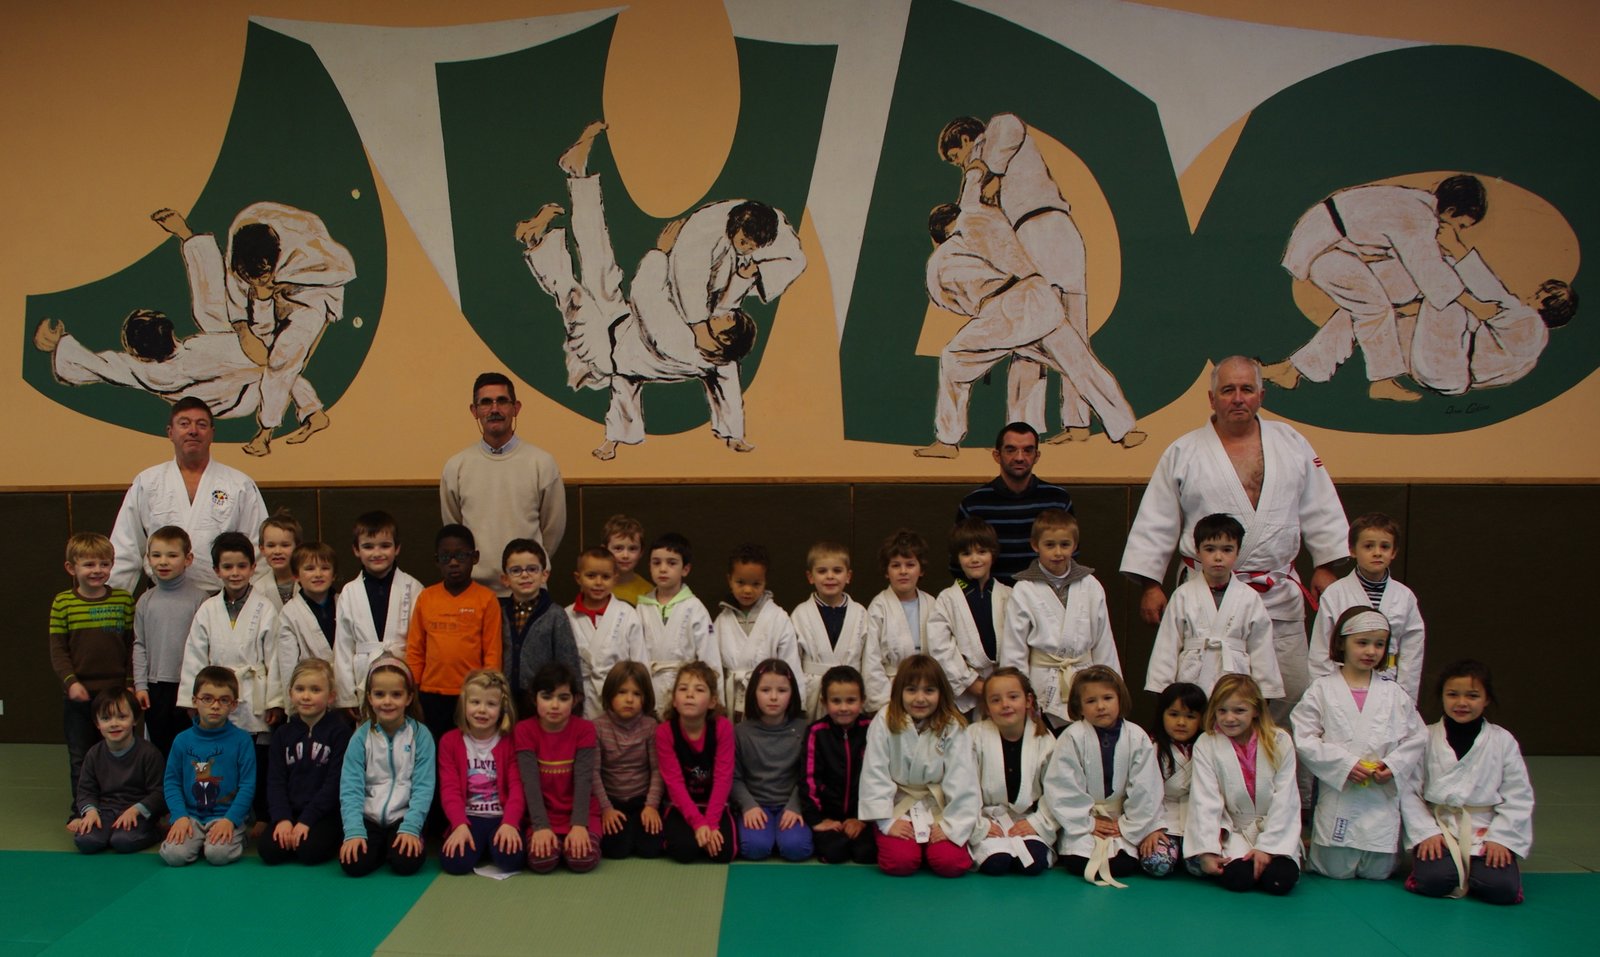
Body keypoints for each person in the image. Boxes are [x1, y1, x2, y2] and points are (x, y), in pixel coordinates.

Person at [517, 121, 804, 462]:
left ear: (720, 341)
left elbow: (645, 297)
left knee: (572, 294)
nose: (721, 314)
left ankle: (533, 242)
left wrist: (661, 251)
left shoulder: (679, 342)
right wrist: (734, 436)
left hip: (600, 344)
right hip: (622, 322)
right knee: (597, 250)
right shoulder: (721, 356)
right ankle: (577, 173)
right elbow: (728, 383)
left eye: (722, 324)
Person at [1121, 355, 1348, 725]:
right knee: (1202, 690)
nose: (1238, 398)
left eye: (1246, 389)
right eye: (1228, 390)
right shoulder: (1184, 451)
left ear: (1261, 395)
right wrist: (1150, 584)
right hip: (1205, 591)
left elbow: (1320, 504)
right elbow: (1157, 519)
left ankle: (1275, 771)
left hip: (1275, 588)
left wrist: (1324, 564)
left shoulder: (1291, 443)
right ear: (1212, 398)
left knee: (1290, 689)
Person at [912, 201, 1143, 459]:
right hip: (1038, 297)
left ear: (937, 237)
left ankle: (948, 440)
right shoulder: (991, 227)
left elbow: (945, 300)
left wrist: (981, 311)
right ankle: (1125, 429)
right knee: (1081, 364)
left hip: (1000, 312)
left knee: (953, 358)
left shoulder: (941, 257)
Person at [149, 203, 352, 453]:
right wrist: (252, 316)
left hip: (310, 293)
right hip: (263, 303)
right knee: (210, 316)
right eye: (248, 278)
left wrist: (269, 298)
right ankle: (314, 414)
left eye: (263, 277)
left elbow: (334, 279)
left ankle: (265, 434)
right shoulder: (243, 243)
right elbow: (246, 317)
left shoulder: (315, 257)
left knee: (282, 359)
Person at [937, 114, 1090, 438]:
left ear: (965, 140)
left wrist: (978, 168)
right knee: (1030, 331)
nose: (960, 165)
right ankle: (1027, 427)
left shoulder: (999, 129)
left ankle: (1077, 422)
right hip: (1028, 232)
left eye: (956, 157)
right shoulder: (988, 177)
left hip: (1047, 225)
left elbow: (1007, 131)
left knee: (1070, 327)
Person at [1272, 175, 1487, 402]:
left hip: (1337, 244)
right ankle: (1383, 383)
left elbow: (1418, 266)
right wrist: (1476, 306)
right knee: (1376, 309)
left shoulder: (1417, 205)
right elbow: (1431, 274)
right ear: (1451, 211)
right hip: (1325, 249)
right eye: (1461, 225)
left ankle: (1292, 370)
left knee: (1376, 301)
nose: (1458, 231)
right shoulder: (1419, 218)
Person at [1292, 608, 1427, 880]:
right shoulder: (1322, 689)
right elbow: (1304, 736)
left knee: (1377, 872)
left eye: (1379, 644)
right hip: (1340, 791)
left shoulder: (1393, 693)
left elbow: (1418, 736)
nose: (1371, 651)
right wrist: (1345, 764)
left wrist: (1393, 765)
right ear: (1342, 643)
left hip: (1379, 792)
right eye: (1362, 642)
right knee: (1334, 869)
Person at [1401, 660, 1533, 904]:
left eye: (1472, 696)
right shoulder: (1425, 737)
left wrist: (1502, 838)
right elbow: (1409, 791)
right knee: (1435, 881)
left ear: (1486, 699)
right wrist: (1425, 833)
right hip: (1440, 827)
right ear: (1442, 697)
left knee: (1501, 890)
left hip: (1485, 828)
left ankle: (1486, 871)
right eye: (1452, 694)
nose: (1461, 703)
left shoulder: (1502, 741)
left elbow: (1518, 795)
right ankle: (1441, 868)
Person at [107, 396, 267, 594]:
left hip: (223, 599)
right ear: (170, 433)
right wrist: (114, 604)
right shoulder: (148, 482)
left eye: (201, 424)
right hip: (163, 597)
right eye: (184, 424)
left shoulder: (239, 484)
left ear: (211, 433)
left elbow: (258, 550)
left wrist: (258, 603)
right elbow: (125, 549)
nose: (193, 430)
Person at [178, 532, 282, 823]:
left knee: (255, 756)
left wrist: (276, 700)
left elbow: (275, 657)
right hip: (216, 694)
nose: (235, 573)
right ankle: (214, 809)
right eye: (227, 567)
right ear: (216, 571)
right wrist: (191, 698)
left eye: (241, 566)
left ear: (252, 567)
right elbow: (195, 655)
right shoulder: (207, 609)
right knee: (218, 754)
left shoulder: (265, 608)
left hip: (254, 691)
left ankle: (259, 814)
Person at [440, 372, 567, 592]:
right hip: (475, 592)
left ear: (516, 408)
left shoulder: (542, 463)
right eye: (486, 403)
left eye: (502, 401)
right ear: (475, 411)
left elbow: (552, 529)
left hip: (528, 590)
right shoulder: (456, 466)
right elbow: (454, 532)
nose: (494, 409)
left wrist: (526, 570)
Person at [859, 655, 978, 877]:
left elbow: (964, 779)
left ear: (941, 693)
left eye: (929, 690)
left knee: (950, 863)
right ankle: (910, 844)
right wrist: (887, 823)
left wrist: (951, 826)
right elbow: (874, 774)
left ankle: (930, 846)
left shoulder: (953, 725)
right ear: (899, 692)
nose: (920, 698)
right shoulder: (884, 721)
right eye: (911, 690)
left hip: (938, 807)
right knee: (900, 862)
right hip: (898, 806)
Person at [1043, 666, 1163, 887]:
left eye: (1107, 698)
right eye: (1091, 701)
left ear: (1120, 699)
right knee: (1079, 860)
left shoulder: (1137, 737)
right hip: (1086, 818)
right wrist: (1087, 822)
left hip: (1121, 819)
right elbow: (1061, 785)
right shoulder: (1071, 737)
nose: (1100, 706)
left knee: (1123, 864)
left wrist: (1127, 826)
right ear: (1079, 707)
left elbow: (1146, 787)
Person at [999, 511, 1120, 728]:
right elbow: (1014, 649)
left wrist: (1111, 688)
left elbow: (1104, 642)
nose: (1058, 552)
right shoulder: (1024, 590)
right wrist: (1017, 695)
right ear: (1035, 545)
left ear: (1075, 545)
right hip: (1042, 681)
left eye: (1065, 545)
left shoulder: (1091, 585)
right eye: (1050, 545)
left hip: (1085, 678)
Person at [1185, 673, 1301, 894]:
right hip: (1236, 830)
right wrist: (1207, 850)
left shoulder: (1279, 741)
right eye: (1222, 710)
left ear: (1256, 710)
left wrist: (1268, 848)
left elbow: (1286, 799)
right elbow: (1205, 799)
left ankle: (1272, 857)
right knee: (1238, 880)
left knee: (1279, 881)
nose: (1229, 718)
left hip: (1275, 829)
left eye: (1239, 710)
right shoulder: (1207, 743)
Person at [1144, 513, 1280, 699]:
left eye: (1227, 549)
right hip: (1191, 681)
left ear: (1238, 552)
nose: (1218, 557)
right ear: (1197, 552)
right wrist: (1162, 687)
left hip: (1235, 679)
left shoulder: (1249, 597)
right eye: (1210, 549)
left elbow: (1261, 647)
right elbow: (1167, 645)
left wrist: (1265, 691)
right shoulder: (1183, 594)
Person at [50, 532, 137, 806]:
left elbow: (132, 646)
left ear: (112, 565)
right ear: (71, 568)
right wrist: (71, 682)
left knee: (119, 750)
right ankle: (83, 807)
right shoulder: (62, 603)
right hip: (79, 695)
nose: (97, 570)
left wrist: (130, 682)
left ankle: (119, 802)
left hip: (115, 693)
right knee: (81, 753)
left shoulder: (123, 600)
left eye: (103, 564)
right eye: (88, 564)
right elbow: (58, 650)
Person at [1307, 513, 1425, 701]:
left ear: (1394, 552)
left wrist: (1406, 696)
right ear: (1352, 550)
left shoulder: (1405, 596)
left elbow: (1412, 652)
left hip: (1389, 681)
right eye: (1368, 546)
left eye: (1385, 547)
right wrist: (1321, 694)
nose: (1377, 552)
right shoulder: (1335, 593)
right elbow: (1320, 650)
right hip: (1343, 682)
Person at [338, 656, 434, 877]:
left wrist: (411, 827)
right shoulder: (360, 737)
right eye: (380, 694)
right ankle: (379, 847)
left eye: (396, 694)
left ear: (409, 697)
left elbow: (423, 786)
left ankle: (393, 845)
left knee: (406, 863)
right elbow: (350, 788)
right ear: (369, 698)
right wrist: (353, 831)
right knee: (354, 865)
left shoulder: (420, 736)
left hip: (404, 816)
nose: (387, 701)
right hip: (369, 817)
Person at [407, 524, 503, 740]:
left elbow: (492, 652)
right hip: (431, 694)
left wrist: (487, 692)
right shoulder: (426, 598)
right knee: (434, 750)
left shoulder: (486, 599)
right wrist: (414, 693)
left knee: (468, 750)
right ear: (436, 560)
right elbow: (415, 650)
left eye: (461, 555)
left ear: (475, 557)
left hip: (471, 694)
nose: (453, 563)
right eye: (445, 557)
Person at [953, 423, 1072, 585]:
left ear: (1037, 456)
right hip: (992, 602)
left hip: (1045, 599)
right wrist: (976, 599)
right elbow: (957, 564)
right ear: (997, 455)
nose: (1019, 457)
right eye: (1011, 450)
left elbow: (1071, 558)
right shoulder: (973, 504)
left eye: (1028, 450)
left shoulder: (1058, 500)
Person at [160, 665, 255, 866]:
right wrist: (179, 816)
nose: (215, 705)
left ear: (234, 705)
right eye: (207, 698)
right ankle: (198, 840)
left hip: (226, 816)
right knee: (174, 856)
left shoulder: (242, 741)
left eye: (224, 700)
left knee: (217, 855)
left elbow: (247, 785)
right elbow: (171, 782)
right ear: (195, 701)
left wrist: (231, 820)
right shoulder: (182, 741)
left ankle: (238, 836)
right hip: (191, 816)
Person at [259, 658, 351, 866]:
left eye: (315, 690)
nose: (306, 696)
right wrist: (282, 819)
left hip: (323, 814)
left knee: (309, 851)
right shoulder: (282, 734)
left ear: (331, 697)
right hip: (290, 810)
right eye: (300, 689)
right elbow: (275, 781)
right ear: (291, 693)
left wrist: (306, 820)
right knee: (270, 851)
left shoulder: (339, 733)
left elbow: (334, 784)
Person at [965, 668, 1056, 876]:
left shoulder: (1045, 740)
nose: (1005, 705)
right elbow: (964, 788)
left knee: (1031, 864)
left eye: (1013, 697)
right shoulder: (973, 736)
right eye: (995, 700)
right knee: (997, 864)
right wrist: (979, 826)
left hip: (1026, 820)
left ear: (1028, 700)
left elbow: (1056, 792)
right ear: (986, 707)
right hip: (987, 820)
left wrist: (1037, 823)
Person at [516, 662, 601, 873]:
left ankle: (569, 842)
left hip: (581, 814)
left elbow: (584, 780)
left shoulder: (585, 729)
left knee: (582, 861)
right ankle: (557, 843)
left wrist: (579, 825)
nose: (555, 705)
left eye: (563, 698)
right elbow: (530, 783)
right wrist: (541, 827)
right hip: (543, 816)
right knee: (541, 862)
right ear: (534, 698)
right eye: (547, 697)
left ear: (575, 700)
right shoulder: (524, 730)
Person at [438, 669, 525, 876]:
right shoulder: (450, 742)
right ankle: (480, 844)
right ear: (464, 704)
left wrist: (510, 823)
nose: (482, 710)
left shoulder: (510, 741)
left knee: (512, 860)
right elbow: (450, 790)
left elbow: (517, 788)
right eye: (475, 702)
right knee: (454, 863)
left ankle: (491, 845)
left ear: (502, 708)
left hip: (500, 817)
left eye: (491, 704)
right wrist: (459, 825)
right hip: (469, 817)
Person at [132, 525, 209, 757]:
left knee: (192, 749)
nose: (163, 562)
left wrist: (200, 688)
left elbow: (206, 648)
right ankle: (165, 793)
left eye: (172, 555)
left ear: (188, 559)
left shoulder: (200, 599)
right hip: (156, 688)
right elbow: (140, 645)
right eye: (156, 555)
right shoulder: (145, 601)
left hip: (188, 687)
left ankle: (193, 792)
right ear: (148, 559)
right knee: (161, 749)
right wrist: (141, 685)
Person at [333, 511, 421, 712]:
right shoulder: (349, 591)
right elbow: (343, 647)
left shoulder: (413, 587)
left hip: (402, 673)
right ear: (356, 550)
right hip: (363, 677)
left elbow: (419, 644)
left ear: (397, 548)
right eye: (368, 546)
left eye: (385, 545)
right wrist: (348, 698)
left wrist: (415, 686)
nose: (377, 553)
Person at [656, 661, 738, 863]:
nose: (689, 694)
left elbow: (723, 779)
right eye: (683, 689)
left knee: (723, 853)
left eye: (699, 689)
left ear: (712, 701)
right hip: (681, 805)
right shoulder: (665, 732)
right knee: (685, 851)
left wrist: (711, 824)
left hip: (715, 804)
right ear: (674, 700)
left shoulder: (722, 728)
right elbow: (674, 784)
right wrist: (698, 824)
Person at [67, 688, 165, 854]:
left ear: (134, 719)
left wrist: (136, 810)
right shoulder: (94, 754)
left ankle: (156, 831)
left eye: (122, 717)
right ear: (97, 724)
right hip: (105, 811)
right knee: (86, 841)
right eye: (106, 718)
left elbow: (159, 792)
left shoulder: (149, 753)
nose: (114, 724)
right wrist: (90, 812)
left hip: (136, 812)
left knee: (123, 841)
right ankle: (107, 832)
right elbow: (85, 790)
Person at [927, 518, 1009, 715]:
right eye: (966, 553)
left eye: (982, 552)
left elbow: (1018, 643)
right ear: (957, 558)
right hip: (965, 690)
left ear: (993, 554)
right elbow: (940, 647)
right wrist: (971, 682)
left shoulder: (1009, 595)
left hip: (1004, 684)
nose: (975, 559)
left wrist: (1002, 683)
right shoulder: (947, 598)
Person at [732, 660, 811, 861]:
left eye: (782, 690)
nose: (774, 697)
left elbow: (808, 775)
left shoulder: (804, 729)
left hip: (792, 804)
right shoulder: (740, 732)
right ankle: (769, 834)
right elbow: (733, 777)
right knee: (754, 849)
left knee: (797, 849)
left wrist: (796, 806)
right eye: (765, 690)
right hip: (756, 805)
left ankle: (781, 836)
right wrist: (748, 806)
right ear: (753, 693)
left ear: (792, 693)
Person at [715, 543, 802, 720]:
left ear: (765, 582)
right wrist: (716, 700)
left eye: (756, 584)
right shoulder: (721, 621)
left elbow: (791, 663)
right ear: (729, 579)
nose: (748, 590)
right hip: (730, 701)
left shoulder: (778, 617)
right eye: (740, 582)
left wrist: (798, 705)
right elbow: (713, 666)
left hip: (769, 698)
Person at [802, 665, 875, 865]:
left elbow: (881, 777)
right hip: (828, 816)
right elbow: (809, 780)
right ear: (824, 702)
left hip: (862, 815)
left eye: (851, 700)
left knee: (866, 853)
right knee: (835, 852)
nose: (843, 708)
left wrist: (863, 818)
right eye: (836, 701)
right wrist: (817, 820)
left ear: (862, 701)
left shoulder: (872, 730)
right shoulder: (816, 732)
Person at [499, 539, 582, 713]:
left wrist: (575, 703)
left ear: (544, 575)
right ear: (505, 579)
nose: (525, 575)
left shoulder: (555, 615)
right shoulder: (499, 613)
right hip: (506, 701)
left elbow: (568, 661)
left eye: (532, 569)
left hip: (544, 702)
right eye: (516, 570)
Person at [637, 533, 717, 712]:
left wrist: (710, 698)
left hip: (686, 690)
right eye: (656, 563)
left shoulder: (695, 608)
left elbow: (709, 657)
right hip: (648, 686)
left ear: (685, 569)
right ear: (649, 566)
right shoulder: (642, 607)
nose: (663, 569)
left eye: (671, 563)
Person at [594, 661, 665, 860]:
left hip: (642, 800)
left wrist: (651, 806)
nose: (629, 699)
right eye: (622, 692)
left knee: (650, 850)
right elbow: (593, 773)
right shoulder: (597, 727)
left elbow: (657, 770)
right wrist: (606, 809)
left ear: (645, 698)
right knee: (615, 851)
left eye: (636, 694)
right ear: (609, 695)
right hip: (612, 801)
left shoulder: (650, 727)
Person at [862, 530, 936, 713]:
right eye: (896, 565)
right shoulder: (878, 607)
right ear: (886, 571)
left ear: (921, 570)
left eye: (910, 565)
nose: (903, 571)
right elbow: (871, 661)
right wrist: (885, 705)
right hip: (891, 689)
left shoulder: (933, 604)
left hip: (927, 688)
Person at [567, 548, 646, 719]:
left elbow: (640, 663)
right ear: (577, 578)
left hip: (620, 696)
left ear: (615, 579)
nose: (598, 583)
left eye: (605, 577)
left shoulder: (627, 614)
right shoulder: (566, 616)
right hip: (581, 697)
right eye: (591, 576)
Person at [792, 542, 867, 716]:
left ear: (848, 576)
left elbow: (869, 660)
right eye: (822, 571)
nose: (830, 576)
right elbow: (793, 661)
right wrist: (798, 701)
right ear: (810, 577)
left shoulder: (860, 613)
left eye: (837, 571)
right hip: (813, 692)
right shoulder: (800, 614)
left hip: (851, 689)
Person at [1139, 682, 1206, 877]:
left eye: (1190, 716)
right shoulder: (1151, 746)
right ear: (1162, 714)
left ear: (1202, 718)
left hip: (1197, 819)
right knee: (1157, 864)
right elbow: (1143, 794)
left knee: (1201, 868)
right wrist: (1151, 828)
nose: (1181, 722)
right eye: (1174, 714)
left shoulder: (1208, 747)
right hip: (1162, 819)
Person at [272, 542, 338, 687]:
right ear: (296, 575)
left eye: (325, 568)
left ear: (334, 575)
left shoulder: (344, 603)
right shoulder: (290, 613)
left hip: (344, 684)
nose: (318, 574)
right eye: (310, 568)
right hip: (308, 689)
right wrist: (292, 705)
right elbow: (287, 663)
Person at [253, 509, 301, 612]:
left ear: (297, 548)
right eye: (271, 545)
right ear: (262, 549)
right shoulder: (258, 589)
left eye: (285, 545)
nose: (277, 551)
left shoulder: (309, 582)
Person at [603, 514, 651, 606]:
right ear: (605, 550)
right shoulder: (597, 586)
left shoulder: (648, 592)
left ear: (641, 552)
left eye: (632, 549)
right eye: (618, 548)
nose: (625, 555)